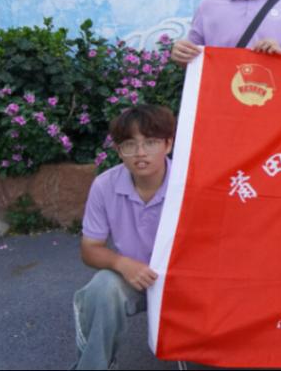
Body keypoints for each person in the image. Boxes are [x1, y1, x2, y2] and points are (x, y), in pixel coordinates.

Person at [73, 104, 178, 370]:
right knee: (102, 287)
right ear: (119, 151)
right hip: (135, 277)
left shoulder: (188, 184)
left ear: (168, 144)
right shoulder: (105, 185)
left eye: (151, 142)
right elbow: (90, 248)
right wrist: (122, 264)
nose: (140, 153)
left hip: (183, 280)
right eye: (130, 144)